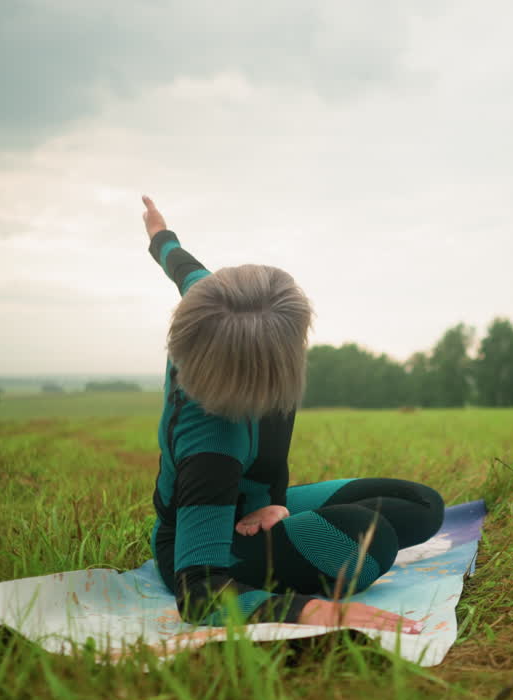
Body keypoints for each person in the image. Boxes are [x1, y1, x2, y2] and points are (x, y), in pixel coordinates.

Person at [140, 196, 445, 634]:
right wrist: (311, 611)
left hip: (255, 501)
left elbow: (183, 266)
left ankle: (281, 526)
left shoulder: (212, 306)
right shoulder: (210, 441)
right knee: (370, 540)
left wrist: (159, 234)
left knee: (423, 506)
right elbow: (199, 592)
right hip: (201, 542)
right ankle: (276, 542)